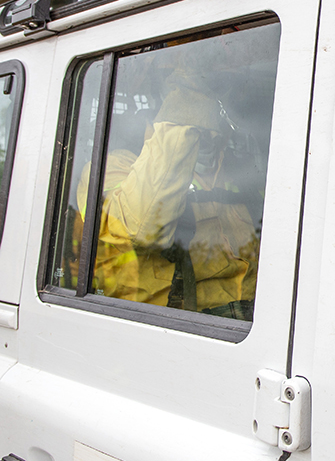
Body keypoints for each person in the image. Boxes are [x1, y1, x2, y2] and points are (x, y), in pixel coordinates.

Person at [72, 27, 276, 320]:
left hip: (257, 324)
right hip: (175, 330)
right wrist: (191, 93)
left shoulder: (238, 166)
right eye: (198, 108)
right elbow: (144, 227)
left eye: (216, 104)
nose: (209, 120)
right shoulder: (108, 170)